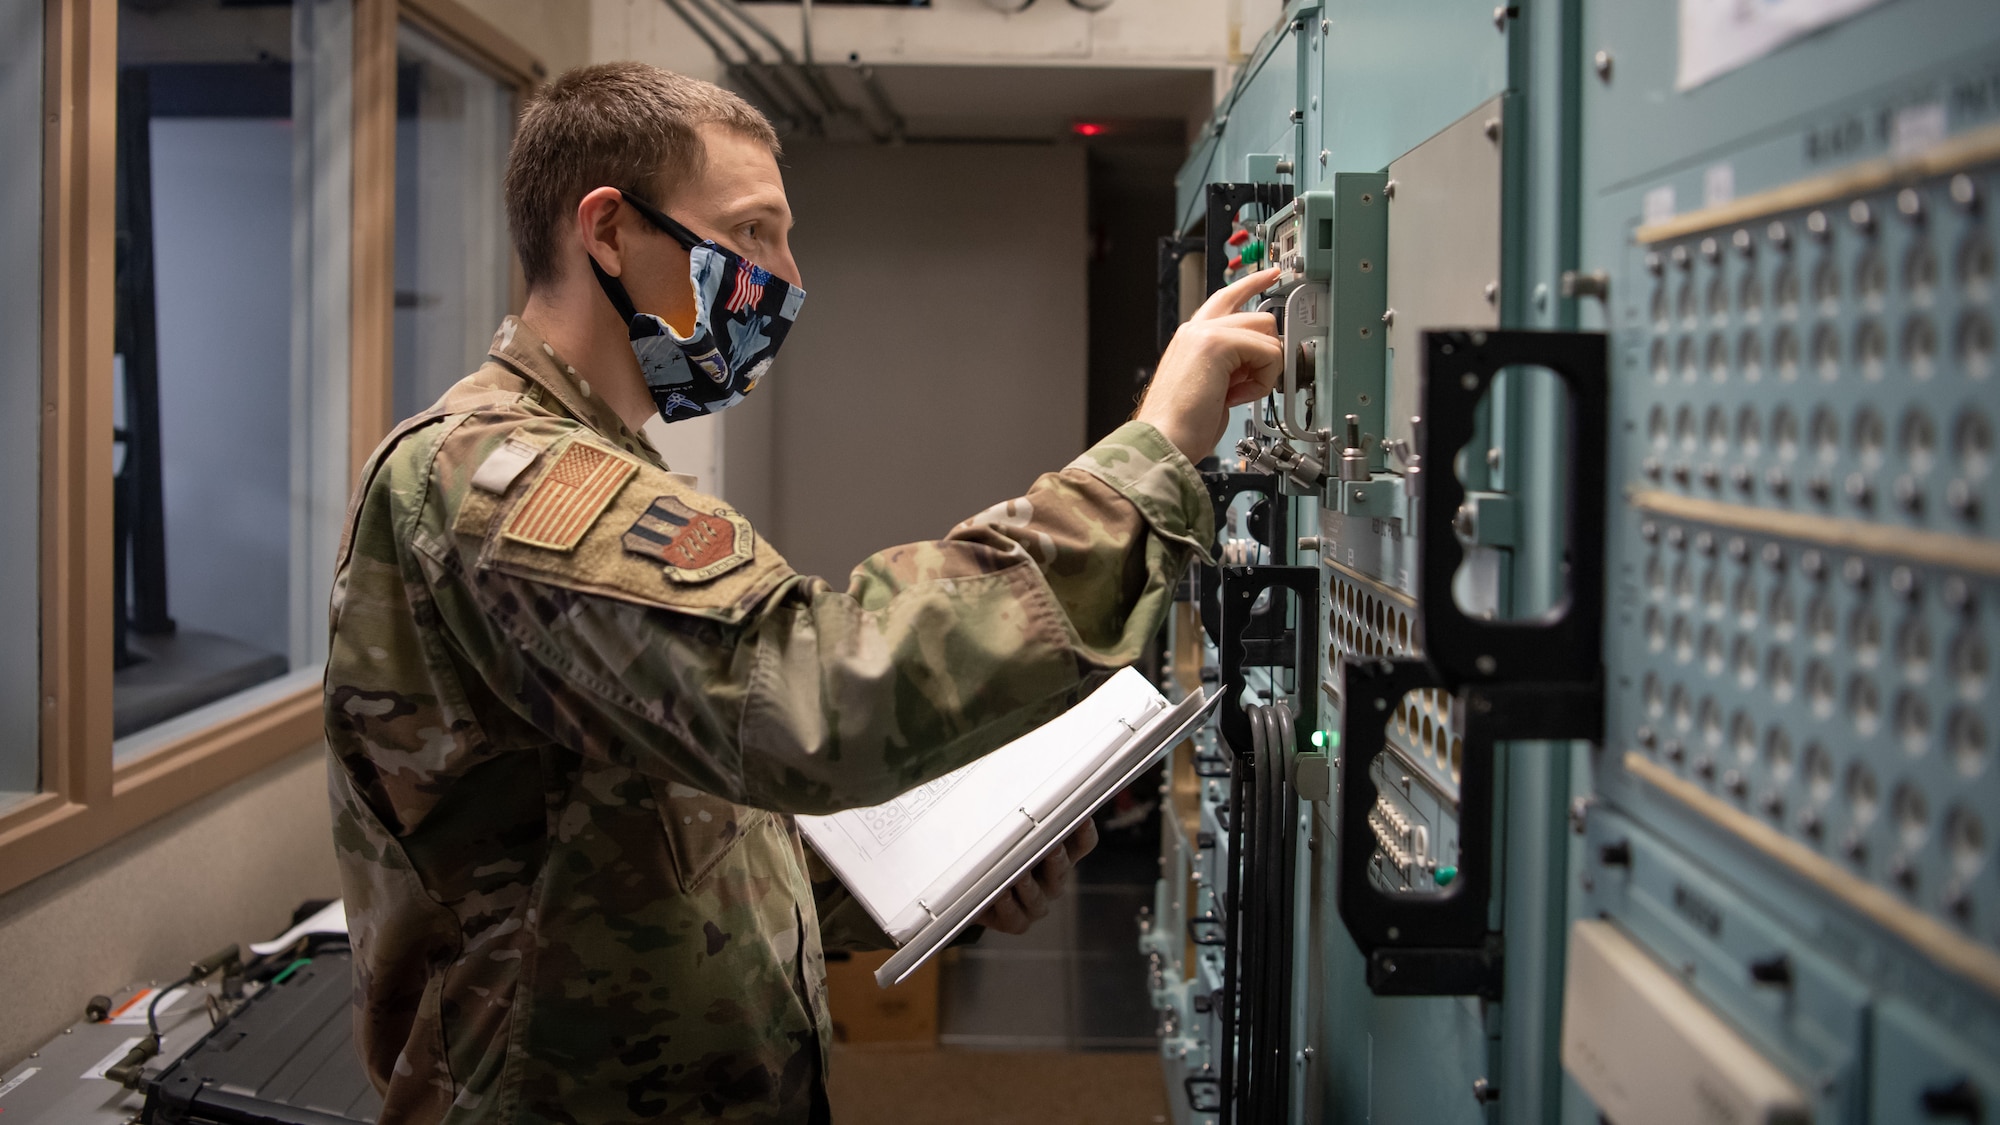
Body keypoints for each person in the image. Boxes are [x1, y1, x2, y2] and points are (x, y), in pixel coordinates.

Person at [325, 61, 1283, 1125]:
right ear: (606, 230)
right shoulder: (495, 482)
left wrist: (915, 885)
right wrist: (1148, 457)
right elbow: (805, 694)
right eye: (749, 235)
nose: (783, 278)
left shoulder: (603, 468)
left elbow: (663, 822)